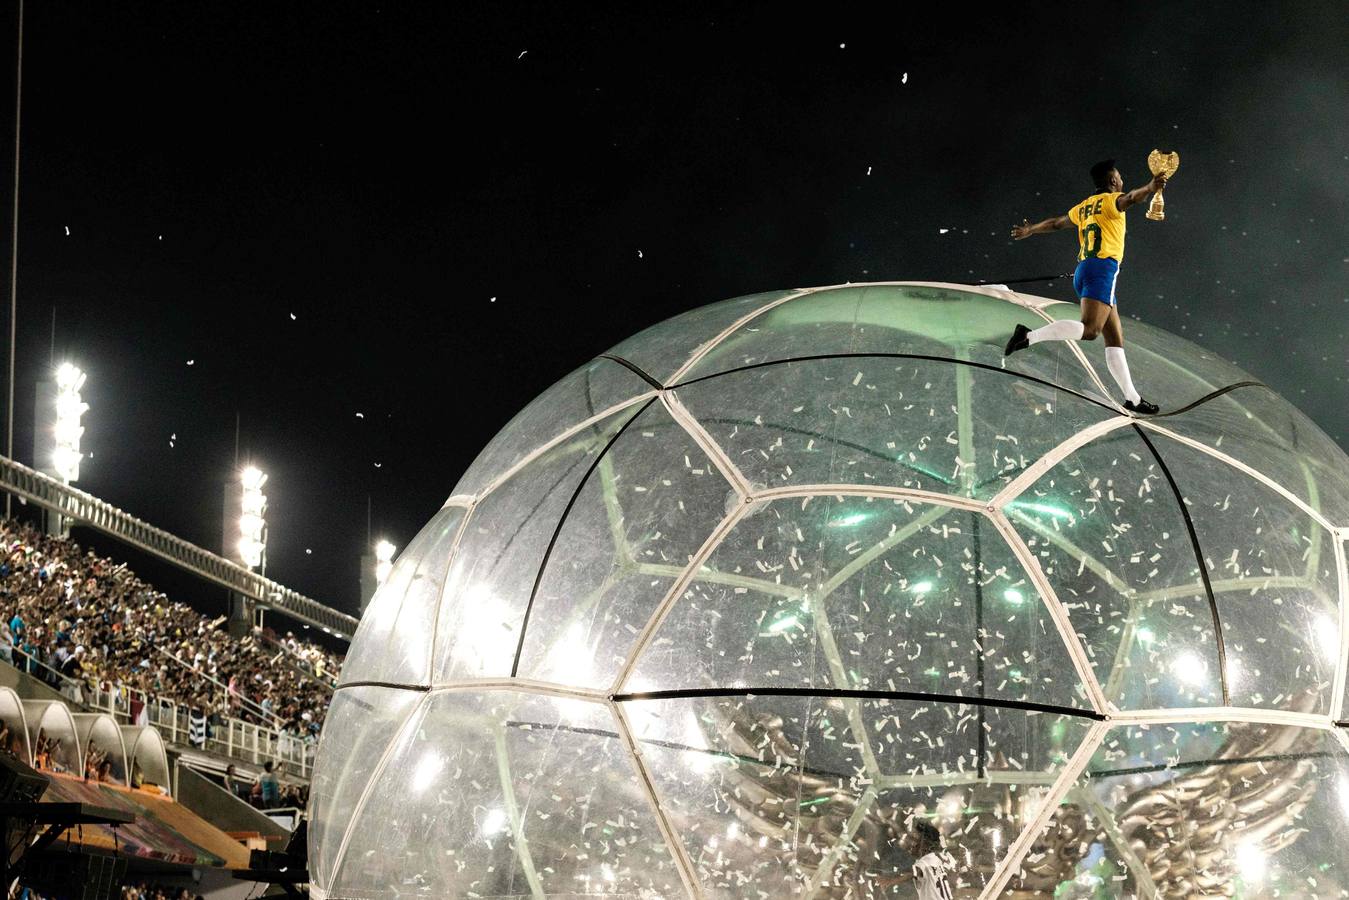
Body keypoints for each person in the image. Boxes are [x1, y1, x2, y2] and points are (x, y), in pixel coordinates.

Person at [1003, 158, 1170, 414]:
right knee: (1091, 330)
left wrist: (1031, 230)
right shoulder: (1113, 201)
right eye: (1120, 177)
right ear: (1113, 181)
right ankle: (1027, 336)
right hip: (1102, 269)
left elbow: (1057, 223)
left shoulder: (1084, 207)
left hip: (1085, 270)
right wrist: (1150, 188)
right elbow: (1132, 198)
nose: (1122, 181)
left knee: (1114, 336)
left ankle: (1132, 399)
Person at [909, 819, 955, 900]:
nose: (912, 844)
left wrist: (889, 881)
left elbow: (911, 874)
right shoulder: (939, 858)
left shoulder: (923, 862)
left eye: (916, 840)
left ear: (926, 844)